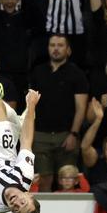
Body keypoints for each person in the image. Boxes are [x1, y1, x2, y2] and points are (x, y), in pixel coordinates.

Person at [29, 35, 88, 192]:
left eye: (60, 45)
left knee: (67, 181)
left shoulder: (77, 74)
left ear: (68, 50)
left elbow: (81, 108)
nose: (55, 48)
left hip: (66, 135)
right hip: (41, 135)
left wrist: (74, 134)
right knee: (43, 182)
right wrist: (31, 134)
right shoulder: (37, 72)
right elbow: (30, 106)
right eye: (52, 45)